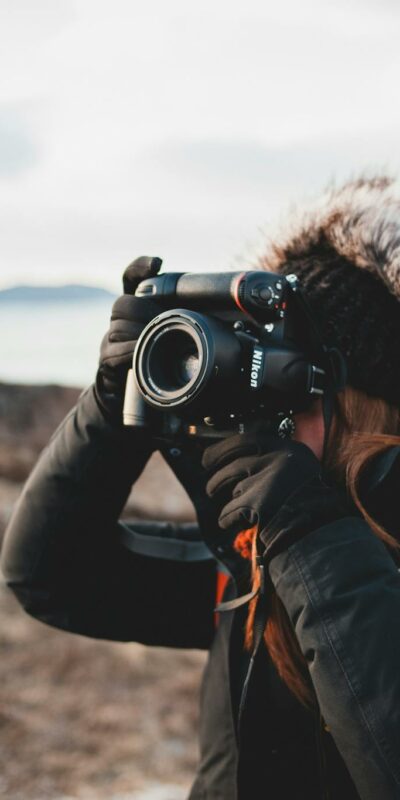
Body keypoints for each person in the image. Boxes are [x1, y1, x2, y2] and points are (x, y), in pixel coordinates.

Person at [2, 175, 400, 800]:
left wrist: (308, 531)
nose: (264, 412)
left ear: (368, 411)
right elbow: (53, 575)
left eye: (288, 383)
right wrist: (114, 408)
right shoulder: (254, 564)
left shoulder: (303, 540)